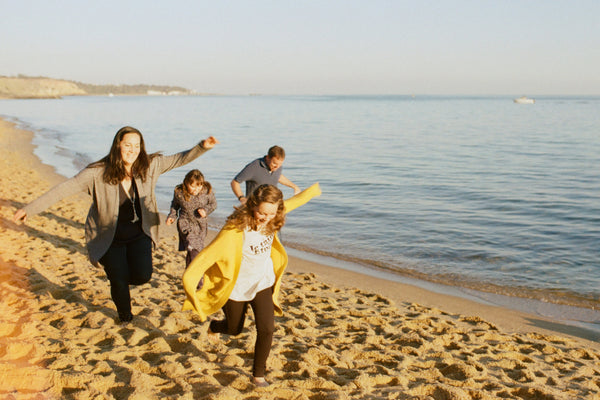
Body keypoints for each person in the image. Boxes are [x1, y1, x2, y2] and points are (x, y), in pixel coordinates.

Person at [13, 126, 219, 323]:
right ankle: (125, 316)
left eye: (137, 146)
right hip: (108, 238)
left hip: (139, 233)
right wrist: (29, 209)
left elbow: (179, 159)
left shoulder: (149, 166)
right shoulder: (97, 173)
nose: (132, 150)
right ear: (118, 145)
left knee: (142, 276)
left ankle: (120, 276)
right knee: (118, 280)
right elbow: (64, 188)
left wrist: (202, 147)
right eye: (128, 145)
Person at [182, 182, 321, 387]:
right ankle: (214, 326)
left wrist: (313, 191)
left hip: (262, 281)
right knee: (234, 328)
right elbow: (208, 254)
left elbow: (293, 202)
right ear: (252, 206)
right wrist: (189, 280)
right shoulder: (236, 227)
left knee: (267, 328)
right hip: (236, 286)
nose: (266, 218)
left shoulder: (275, 214)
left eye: (272, 213)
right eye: (262, 213)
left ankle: (258, 375)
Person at [166, 169, 217, 273]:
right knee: (192, 247)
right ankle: (198, 279)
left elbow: (213, 204)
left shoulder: (207, 191)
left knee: (194, 251)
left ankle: (188, 274)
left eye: (199, 186)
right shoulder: (179, 192)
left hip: (200, 225)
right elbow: (175, 206)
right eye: (192, 186)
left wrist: (205, 211)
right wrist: (172, 216)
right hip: (185, 223)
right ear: (186, 183)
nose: (195, 189)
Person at [230, 145, 301, 205]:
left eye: (280, 164)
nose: (277, 167)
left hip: (272, 207)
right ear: (267, 158)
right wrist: (241, 198)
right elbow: (234, 182)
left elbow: (278, 176)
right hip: (255, 208)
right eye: (274, 163)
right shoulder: (254, 167)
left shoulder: (277, 167)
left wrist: (294, 186)